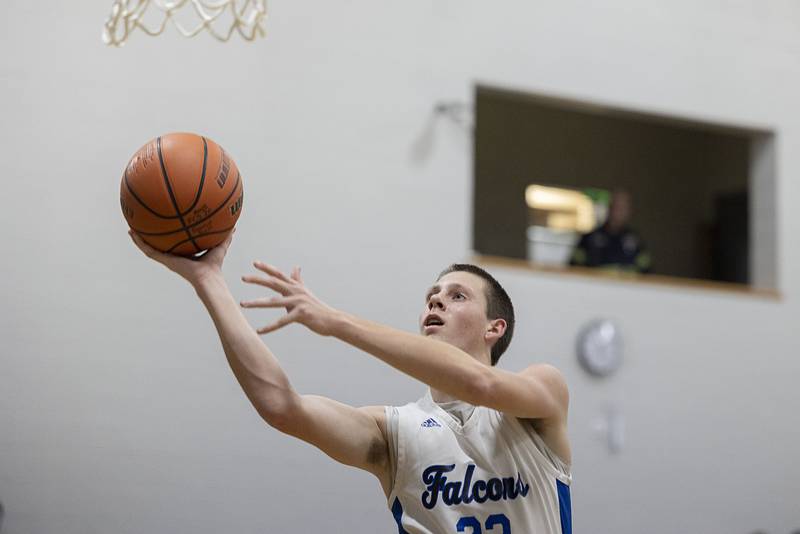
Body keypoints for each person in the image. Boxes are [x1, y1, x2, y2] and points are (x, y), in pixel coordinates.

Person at [129, 229, 572, 533]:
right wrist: (209, 281)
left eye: (457, 296)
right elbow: (282, 407)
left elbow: (482, 386)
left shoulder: (541, 395)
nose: (436, 299)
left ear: (494, 328)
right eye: (431, 296)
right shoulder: (396, 432)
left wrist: (335, 321)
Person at [569, 189, 651, 274]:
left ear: (629, 211)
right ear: (609, 207)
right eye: (616, 206)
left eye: (623, 207)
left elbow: (647, 270)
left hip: (625, 286)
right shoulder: (590, 238)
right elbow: (574, 266)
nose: (619, 212)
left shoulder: (635, 240)